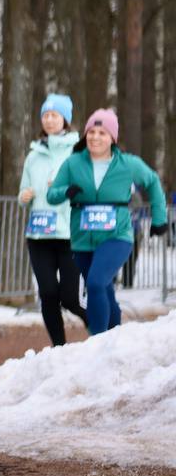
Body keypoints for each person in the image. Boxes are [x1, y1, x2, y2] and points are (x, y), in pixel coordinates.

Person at [46, 108, 167, 335]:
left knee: (95, 283)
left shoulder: (128, 164)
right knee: (104, 288)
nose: (95, 137)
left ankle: (97, 342)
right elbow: (52, 195)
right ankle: (115, 339)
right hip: (83, 239)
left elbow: (152, 182)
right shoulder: (73, 163)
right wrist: (66, 191)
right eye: (91, 132)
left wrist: (159, 219)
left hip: (117, 235)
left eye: (102, 133)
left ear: (112, 138)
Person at [17, 94, 87, 346]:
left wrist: (65, 186)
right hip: (39, 235)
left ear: (65, 120)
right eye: (45, 115)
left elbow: (87, 186)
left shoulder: (78, 152)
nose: (48, 120)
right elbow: (22, 193)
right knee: (47, 294)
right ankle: (58, 347)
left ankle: (101, 329)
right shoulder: (34, 154)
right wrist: (24, 195)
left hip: (68, 233)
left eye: (54, 115)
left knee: (69, 297)